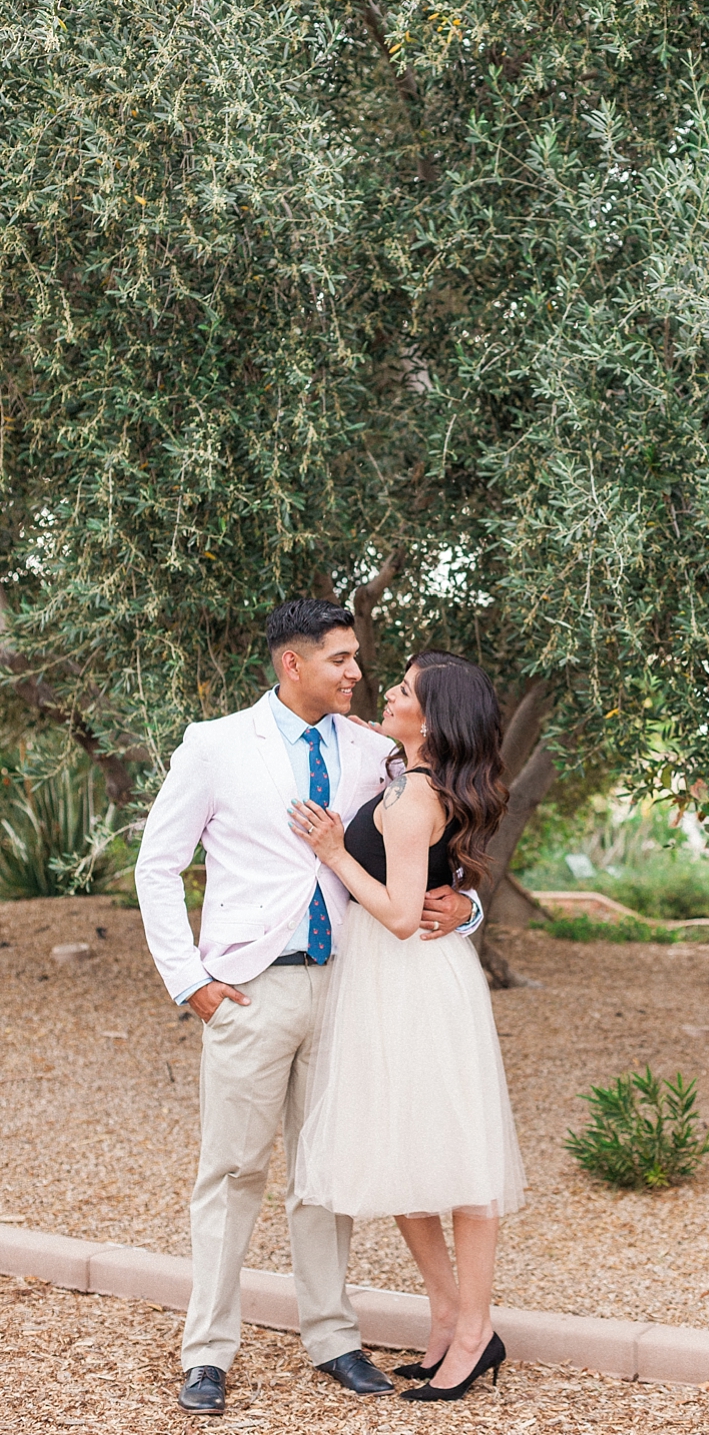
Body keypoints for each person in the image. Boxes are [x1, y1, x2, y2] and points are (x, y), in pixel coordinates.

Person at [134, 601, 484, 1413]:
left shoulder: (377, 753)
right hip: (251, 990)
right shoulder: (215, 745)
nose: (357, 673)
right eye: (341, 659)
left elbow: (441, 842)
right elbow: (158, 866)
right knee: (231, 1172)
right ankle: (207, 1353)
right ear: (292, 664)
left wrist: (467, 911)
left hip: (351, 988)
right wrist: (190, 981)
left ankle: (332, 1339)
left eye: (359, 659)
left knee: (325, 1175)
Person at [291, 650, 526, 1404]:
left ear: (430, 716)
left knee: (457, 1163)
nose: (386, 692)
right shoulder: (404, 776)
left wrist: (332, 851)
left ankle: (473, 1332)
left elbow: (396, 916)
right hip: (390, 986)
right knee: (404, 1154)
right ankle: (445, 1315)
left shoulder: (416, 796)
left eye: (401, 691)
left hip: (414, 982)